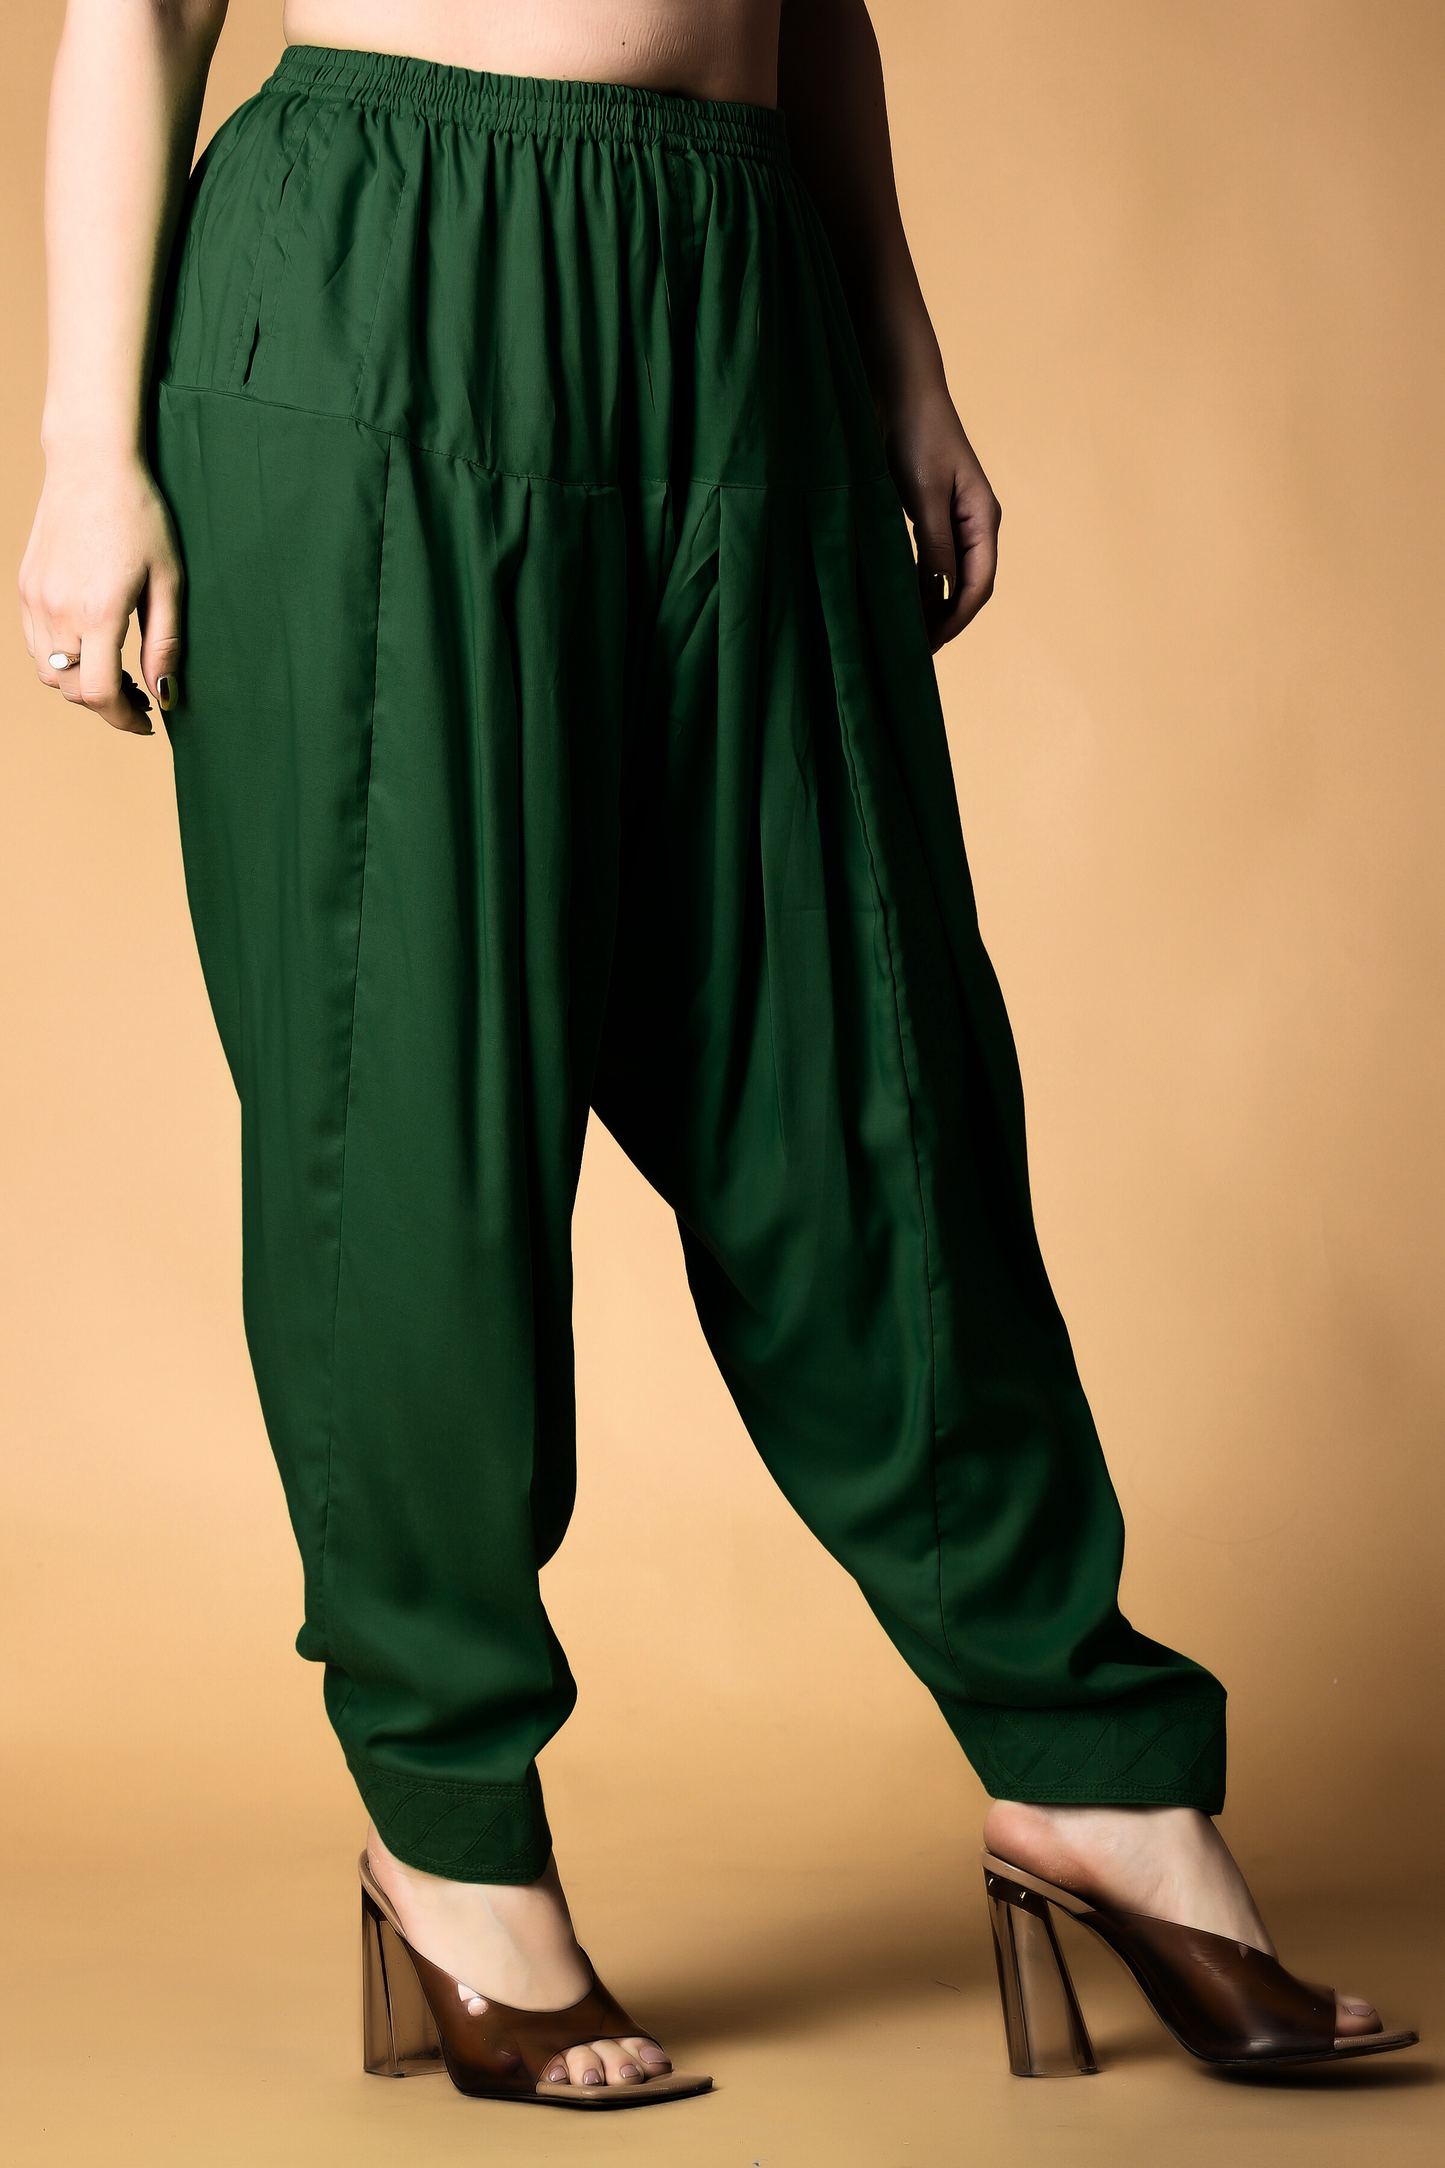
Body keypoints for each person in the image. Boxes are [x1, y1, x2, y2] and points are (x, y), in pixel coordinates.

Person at [19, 0, 1415, 2105]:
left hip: (739, 288)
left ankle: (1086, 1773)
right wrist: (82, 451)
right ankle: (447, 1832)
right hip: (381, 266)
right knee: (412, 1111)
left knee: (873, 1095)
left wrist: (903, 371)